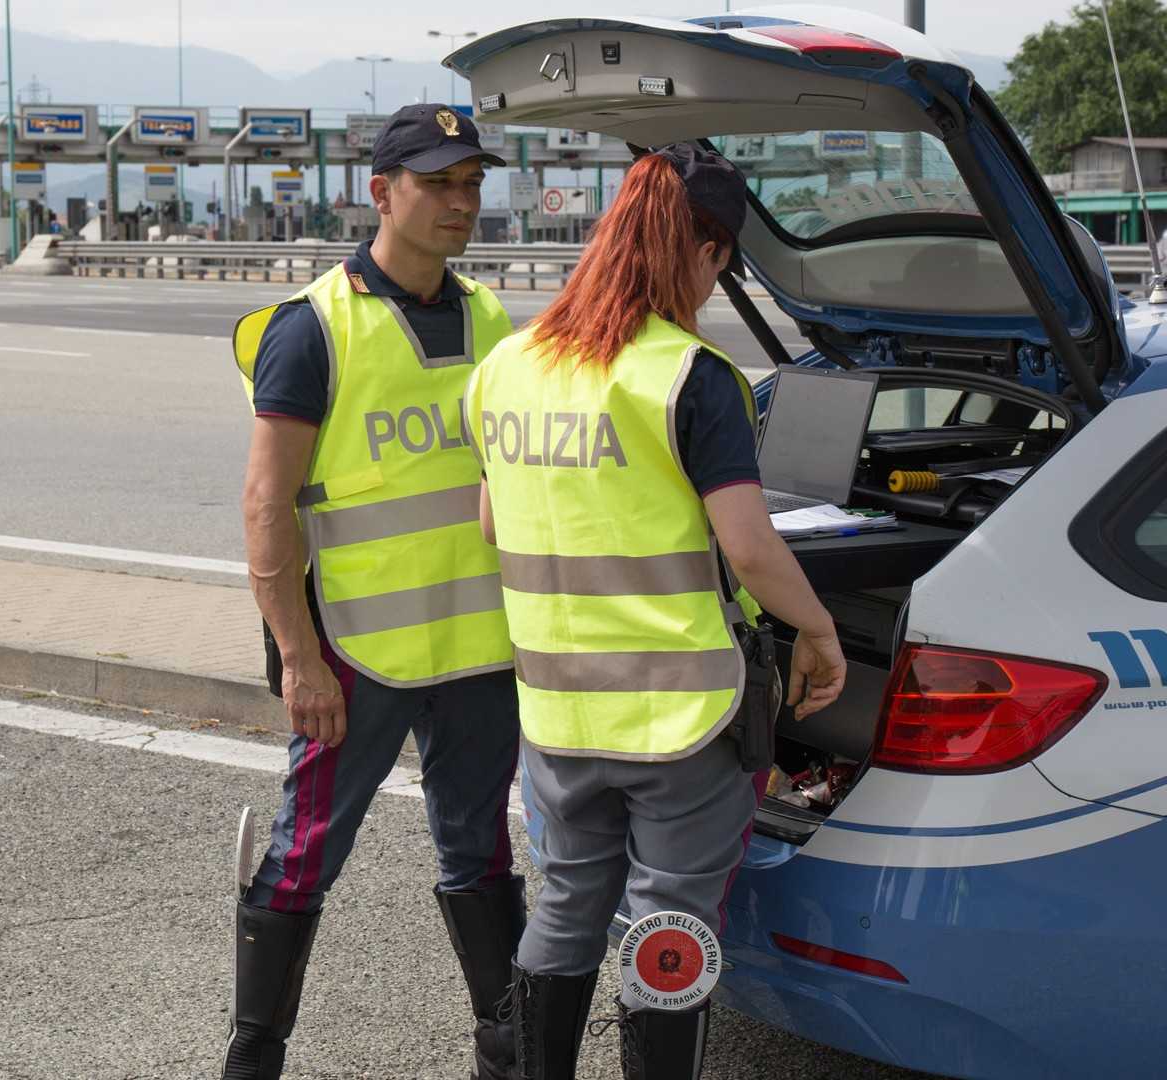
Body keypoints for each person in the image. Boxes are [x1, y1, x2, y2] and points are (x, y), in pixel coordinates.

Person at [466, 144, 848, 1080]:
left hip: (558, 713)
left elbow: (491, 522)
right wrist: (820, 629)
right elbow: (751, 548)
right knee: (668, 922)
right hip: (679, 721)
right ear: (708, 251)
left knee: (565, 906)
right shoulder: (690, 375)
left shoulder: (509, 366)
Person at [225, 103, 521, 1080]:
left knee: (481, 859)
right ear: (380, 191)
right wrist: (299, 656)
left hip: (479, 653)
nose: (459, 201)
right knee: (305, 857)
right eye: (438, 182)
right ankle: (252, 1058)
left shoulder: (489, 320)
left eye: (472, 182)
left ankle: (505, 1053)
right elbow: (268, 507)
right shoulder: (314, 329)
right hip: (356, 656)